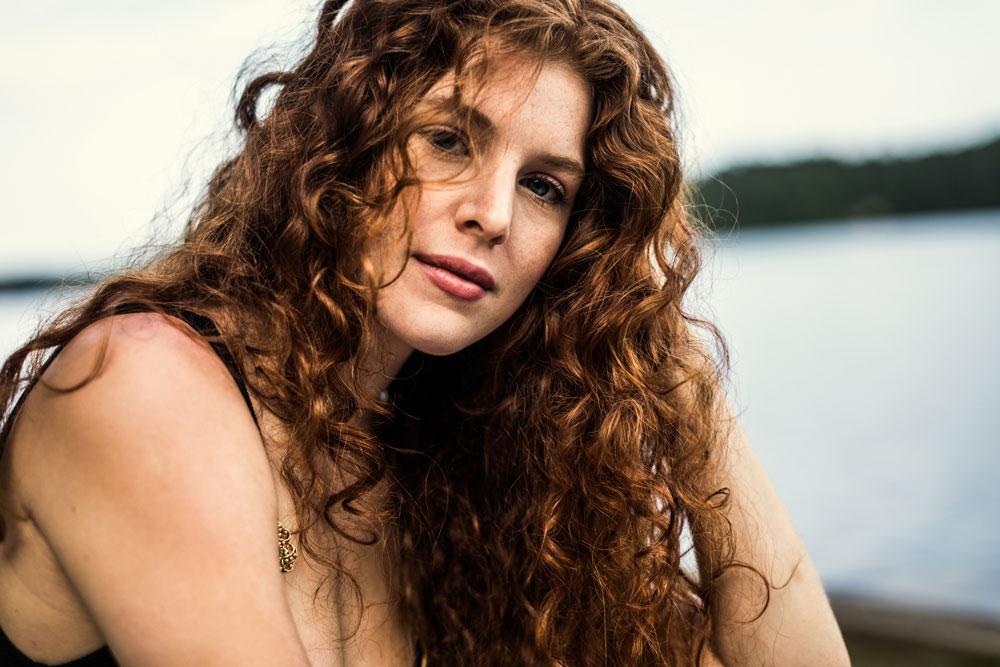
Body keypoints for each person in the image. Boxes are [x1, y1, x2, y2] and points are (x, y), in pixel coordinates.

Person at [0, 0, 849, 664]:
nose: (492, 214)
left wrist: (664, 355)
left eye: (546, 187)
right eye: (448, 139)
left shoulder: (441, 457)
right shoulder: (148, 384)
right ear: (343, 142)